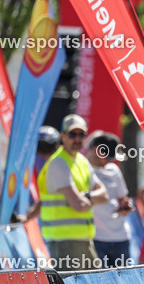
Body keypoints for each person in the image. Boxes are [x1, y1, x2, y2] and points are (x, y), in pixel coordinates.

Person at [37, 114, 108, 269]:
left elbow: (105, 195)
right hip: (64, 243)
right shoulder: (58, 162)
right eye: (72, 134)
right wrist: (90, 199)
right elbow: (79, 205)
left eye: (81, 134)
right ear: (62, 136)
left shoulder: (81, 161)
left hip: (82, 240)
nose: (77, 139)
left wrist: (88, 196)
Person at [86, 132, 134, 268]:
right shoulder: (83, 170)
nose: (109, 161)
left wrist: (126, 206)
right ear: (96, 150)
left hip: (121, 237)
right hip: (97, 239)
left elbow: (122, 199)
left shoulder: (114, 170)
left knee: (124, 282)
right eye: (107, 157)